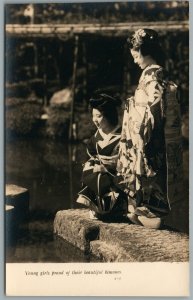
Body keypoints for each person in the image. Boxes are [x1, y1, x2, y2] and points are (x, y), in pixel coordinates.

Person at [116, 28, 183, 229]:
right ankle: (145, 211)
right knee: (151, 177)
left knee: (151, 174)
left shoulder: (153, 77)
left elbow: (153, 111)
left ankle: (152, 215)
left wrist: (142, 134)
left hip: (149, 134)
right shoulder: (154, 74)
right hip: (148, 132)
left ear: (147, 52)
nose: (135, 60)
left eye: (136, 55)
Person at [77, 93, 127, 220]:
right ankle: (96, 207)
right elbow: (91, 155)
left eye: (98, 116)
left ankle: (116, 208)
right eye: (93, 116)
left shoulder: (122, 136)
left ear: (109, 115)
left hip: (116, 176)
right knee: (91, 172)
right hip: (99, 174)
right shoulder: (96, 136)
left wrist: (110, 166)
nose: (94, 120)